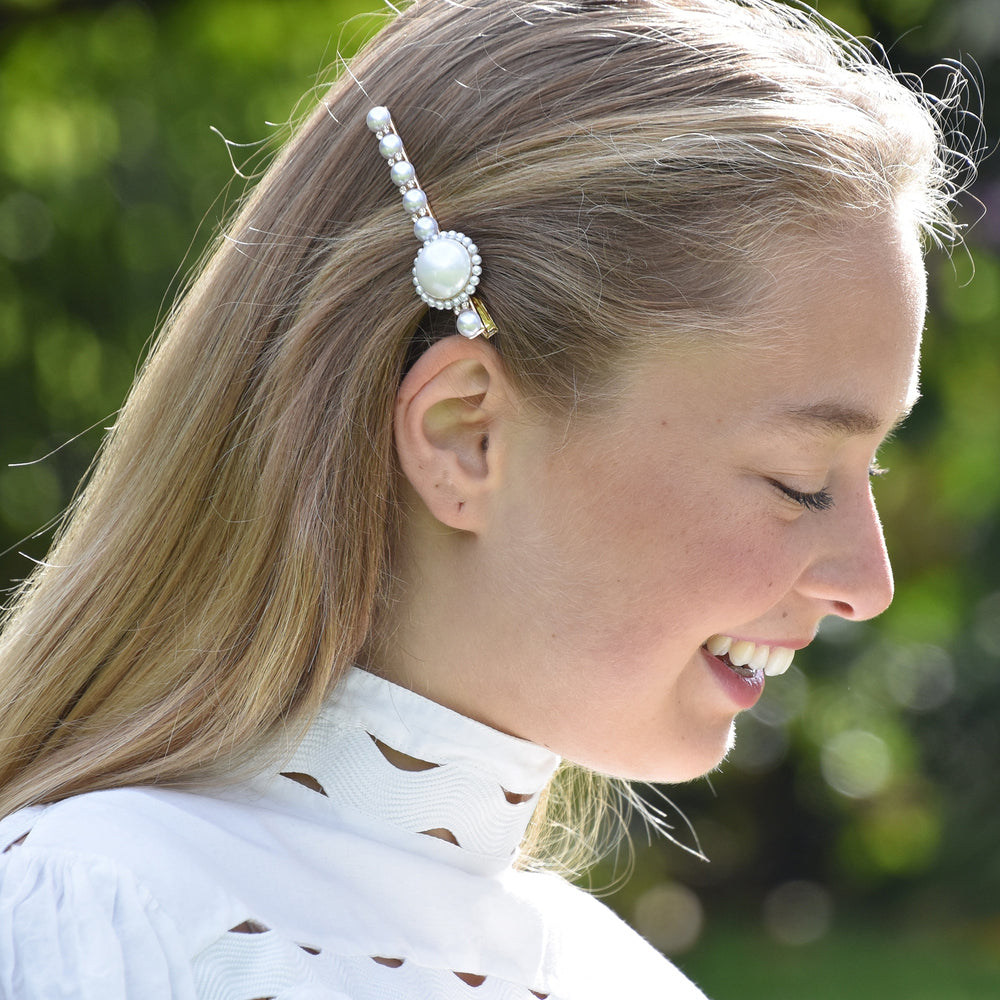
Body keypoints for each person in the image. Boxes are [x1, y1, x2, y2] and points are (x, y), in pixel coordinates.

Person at [0, 0, 972, 996]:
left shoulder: (625, 980)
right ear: (465, 436)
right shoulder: (88, 920)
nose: (871, 582)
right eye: (799, 481)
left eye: (871, 472)